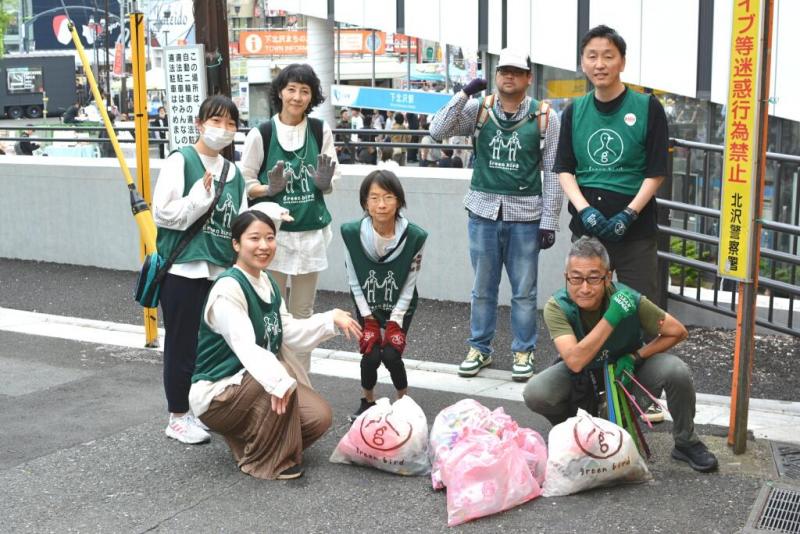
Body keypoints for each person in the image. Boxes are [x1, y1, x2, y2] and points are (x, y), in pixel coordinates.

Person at [190, 210, 362, 479]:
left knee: (318, 417)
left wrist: (330, 319)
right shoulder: (228, 289)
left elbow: (287, 331)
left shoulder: (267, 282)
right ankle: (264, 461)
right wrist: (279, 382)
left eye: (270, 238)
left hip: (250, 382)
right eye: (254, 238)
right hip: (218, 392)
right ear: (236, 244)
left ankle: (251, 440)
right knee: (281, 377)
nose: (264, 245)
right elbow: (245, 346)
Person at [522, 237, 719, 472]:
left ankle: (686, 441)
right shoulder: (557, 306)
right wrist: (613, 316)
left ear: (607, 277)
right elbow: (574, 361)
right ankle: (575, 432)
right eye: (576, 278)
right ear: (566, 277)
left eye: (593, 278)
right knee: (536, 392)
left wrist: (637, 356)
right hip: (582, 373)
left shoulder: (628, 298)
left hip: (627, 370)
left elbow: (677, 332)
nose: (584, 288)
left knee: (676, 370)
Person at [430, 48, 562, 382]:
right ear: (496, 74)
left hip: (526, 217)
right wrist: (463, 93)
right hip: (483, 213)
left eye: (516, 71)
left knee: (524, 291)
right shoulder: (479, 109)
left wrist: (549, 221)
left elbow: (553, 172)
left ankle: (524, 351)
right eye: (504, 70)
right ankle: (479, 348)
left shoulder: (545, 116)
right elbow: (437, 131)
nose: (509, 76)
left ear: (529, 78)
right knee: (482, 288)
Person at [152, 95, 248, 444]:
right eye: (216, 121)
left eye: (230, 123)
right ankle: (177, 416)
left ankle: (199, 409)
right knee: (182, 344)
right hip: (184, 269)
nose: (223, 129)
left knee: (213, 345)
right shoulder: (181, 160)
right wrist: (196, 200)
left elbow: (239, 222)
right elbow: (162, 213)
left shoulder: (233, 172)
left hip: (220, 272)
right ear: (200, 124)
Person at [553, 25, 669, 304]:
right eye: (592, 56)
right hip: (587, 231)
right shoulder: (574, 111)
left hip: (636, 231)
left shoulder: (647, 107)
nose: (600, 64)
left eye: (608, 56)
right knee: (585, 304)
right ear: (583, 63)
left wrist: (628, 214)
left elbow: (656, 171)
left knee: (640, 307)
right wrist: (586, 211)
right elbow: (564, 169)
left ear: (622, 62)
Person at [241, 63, 340, 372]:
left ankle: (299, 382)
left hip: (310, 232)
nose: (297, 97)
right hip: (272, 237)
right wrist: (268, 189)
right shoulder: (262, 133)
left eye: (305, 91)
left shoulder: (320, 131)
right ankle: (269, 377)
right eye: (292, 89)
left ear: (312, 97)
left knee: (303, 314)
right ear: (280, 92)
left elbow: (331, 178)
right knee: (269, 311)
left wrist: (324, 182)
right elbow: (245, 182)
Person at [341, 170, 427, 421]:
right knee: (370, 355)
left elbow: (410, 282)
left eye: (388, 197)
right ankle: (367, 401)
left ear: (399, 201)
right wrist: (368, 319)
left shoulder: (415, 236)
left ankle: (404, 403)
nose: (381, 204)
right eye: (374, 197)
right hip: (367, 301)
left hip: (400, 303)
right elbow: (354, 280)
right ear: (365, 202)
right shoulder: (351, 233)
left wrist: (395, 321)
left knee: (391, 354)